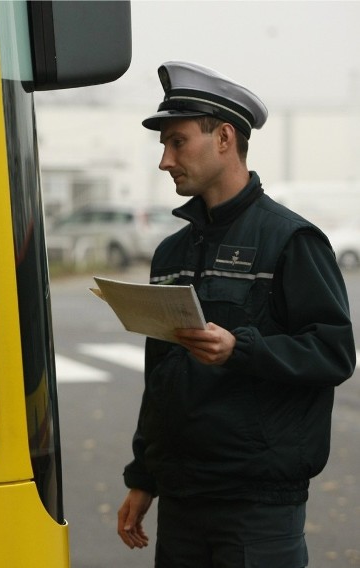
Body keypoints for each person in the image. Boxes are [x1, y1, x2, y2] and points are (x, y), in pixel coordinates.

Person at [116, 61, 355, 567]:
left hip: (257, 508)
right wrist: (144, 477)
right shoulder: (171, 252)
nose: (165, 160)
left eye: (177, 142)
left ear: (224, 138)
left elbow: (334, 353)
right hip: (182, 500)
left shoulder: (291, 241)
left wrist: (239, 348)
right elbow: (160, 375)